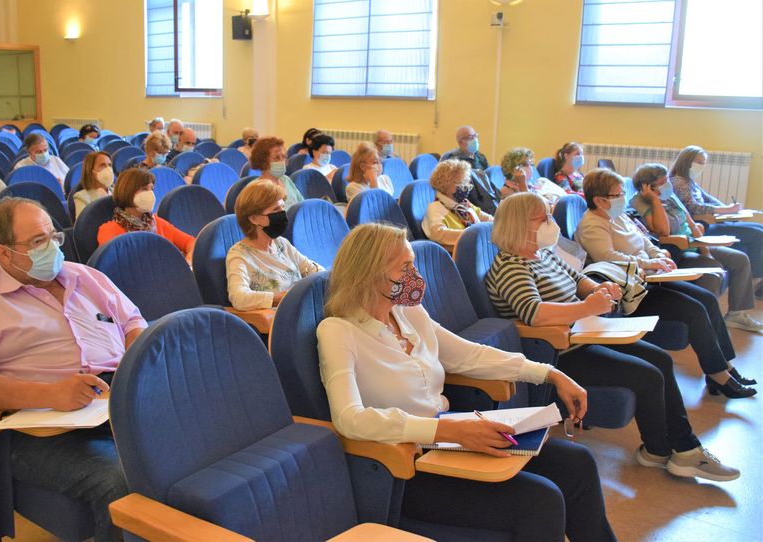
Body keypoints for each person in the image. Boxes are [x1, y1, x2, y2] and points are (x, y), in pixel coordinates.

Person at [318, 222, 616, 542]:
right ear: (370, 274)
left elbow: (469, 356)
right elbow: (349, 418)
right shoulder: (338, 331)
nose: (415, 276)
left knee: (577, 464)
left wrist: (549, 373)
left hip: (451, 440)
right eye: (405, 268)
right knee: (541, 503)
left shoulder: (408, 313)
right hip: (407, 467)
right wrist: (446, 431)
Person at [486, 192, 741, 481]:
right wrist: (586, 307)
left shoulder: (541, 254)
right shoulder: (511, 266)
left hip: (584, 335)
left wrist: (598, 289)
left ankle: (667, 451)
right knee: (648, 375)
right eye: (541, 219)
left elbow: (577, 278)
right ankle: (679, 450)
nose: (550, 223)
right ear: (519, 225)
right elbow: (534, 313)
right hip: (557, 353)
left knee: (660, 360)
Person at [0, 197, 147, 542]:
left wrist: (135, 367)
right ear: (4, 253)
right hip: (43, 429)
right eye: (38, 241)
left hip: (118, 400)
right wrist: (49, 394)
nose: (52, 247)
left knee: (194, 445)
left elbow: (133, 323)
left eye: (54, 236)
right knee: (122, 480)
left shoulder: (86, 276)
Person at [575, 168, 755, 397]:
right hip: (633, 291)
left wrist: (658, 255)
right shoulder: (592, 224)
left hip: (649, 278)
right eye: (617, 194)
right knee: (694, 310)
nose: (622, 198)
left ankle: (725, 368)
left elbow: (644, 241)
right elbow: (608, 257)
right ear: (600, 200)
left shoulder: (617, 216)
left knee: (708, 299)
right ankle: (719, 376)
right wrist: (648, 262)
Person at [630, 163, 762, 332]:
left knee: (739, 259)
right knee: (713, 269)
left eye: (666, 180)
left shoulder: (670, 196)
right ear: (647, 187)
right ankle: (704, 323)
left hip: (695, 243)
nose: (667, 184)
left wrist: (706, 250)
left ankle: (737, 315)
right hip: (679, 249)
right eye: (662, 182)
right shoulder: (640, 201)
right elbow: (664, 231)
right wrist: (655, 200)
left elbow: (691, 223)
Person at [670, 145, 763, 290]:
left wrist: (730, 209)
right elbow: (694, 207)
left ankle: (756, 278)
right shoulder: (678, 181)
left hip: (710, 222)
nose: (701, 166)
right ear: (686, 161)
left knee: (759, 228)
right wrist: (726, 210)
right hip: (702, 227)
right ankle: (756, 280)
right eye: (698, 162)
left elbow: (709, 199)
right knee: (758, 235)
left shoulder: (690, 181)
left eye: (703, 163)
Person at [227, 180, 323, 311]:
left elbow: (313, 269)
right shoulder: (239, 255)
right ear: (254, 219)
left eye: (283, 207)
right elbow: (239, 297)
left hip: (305, 309)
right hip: (281, 317)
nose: (283, 214)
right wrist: (282, 297)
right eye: (276, 209)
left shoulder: (281, 243)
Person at [97, 168, 195, 261]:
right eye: (144, 189)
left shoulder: (155, 222)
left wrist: (189, 259)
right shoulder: (109, 230)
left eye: (151, 189)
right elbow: (113, 264)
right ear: (128, 192)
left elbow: (190, 242)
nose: (150, 194)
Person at [423, 159, 492, 247]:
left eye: (466, 182)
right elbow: (438, 233)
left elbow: (487, 218)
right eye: (461, 183)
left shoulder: (464, 204)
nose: (465, 187)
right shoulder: (435, 208)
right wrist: (475, 235)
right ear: (445, 184)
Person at [248, 137, 304, 208]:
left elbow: (302, 205)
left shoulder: (286, 180)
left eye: (283, 157)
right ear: (262, 161)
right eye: (276, 158)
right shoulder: (255, 189)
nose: (282, 161)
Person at [72, 151, 115, 219]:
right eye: (102, 165)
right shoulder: (81, 197)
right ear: (90, 171)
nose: (108, 169)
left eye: (109, 165)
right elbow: (84, 223)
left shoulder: (116, 192)